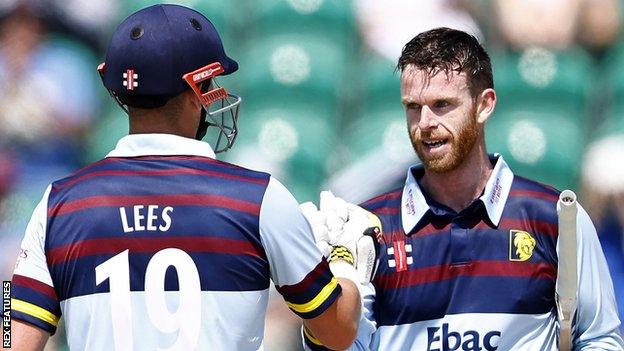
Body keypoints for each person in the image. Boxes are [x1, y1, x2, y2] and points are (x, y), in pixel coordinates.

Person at [8, 4, 363, 351]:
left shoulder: (59, 202)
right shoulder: (259, 198)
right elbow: (338, 334)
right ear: (197, 88)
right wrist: (344, 259)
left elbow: (11, 339)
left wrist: (4, 296)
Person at [302, 28, 624, 350]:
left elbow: (601, 339)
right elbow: (341, 346)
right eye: (413, 107)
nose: (425, 123)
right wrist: (324, 300)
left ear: (484, 105)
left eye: (442, 104)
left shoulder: (555, 218)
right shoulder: (367, 228)